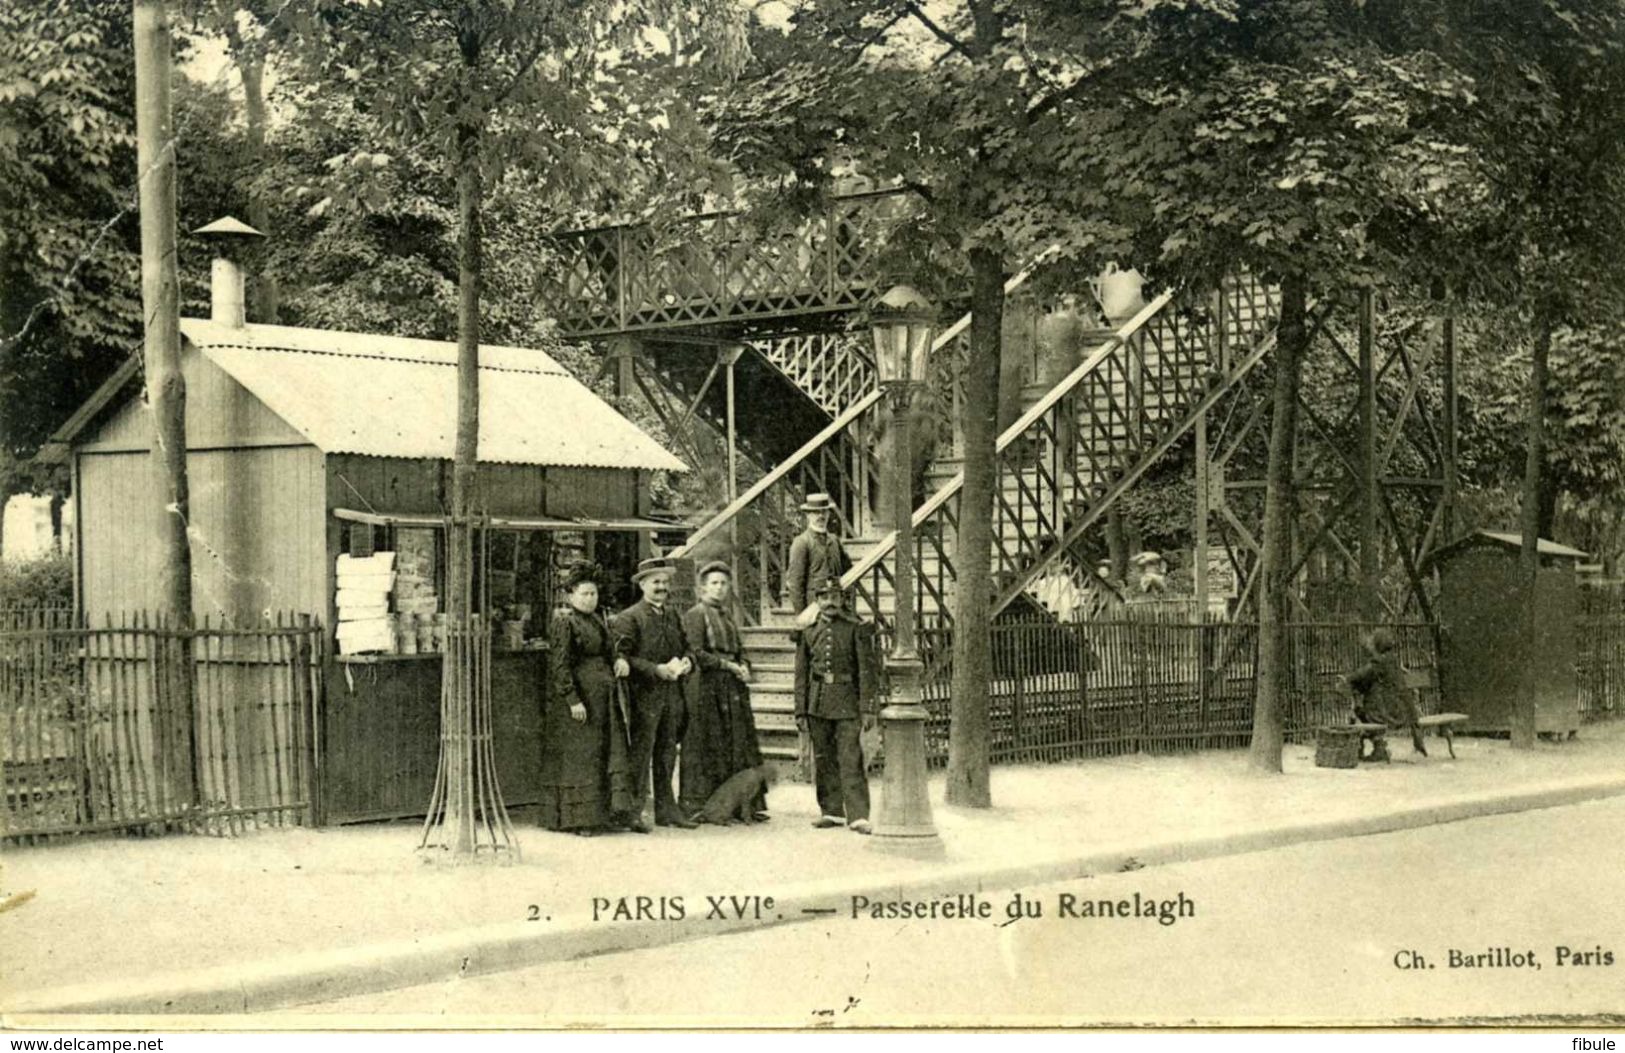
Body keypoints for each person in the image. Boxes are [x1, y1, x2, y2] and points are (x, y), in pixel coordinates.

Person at [540, 562, 636, 836]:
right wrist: (572, 700)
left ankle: (602, 815)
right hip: (580, 702)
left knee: (601, 753)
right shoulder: (564, 623)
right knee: (582, 758)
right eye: (584, 594)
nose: (590, 599)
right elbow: (559, 666)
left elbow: (609, 650)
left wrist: (618, 660)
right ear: (570, 596)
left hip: (603, 701)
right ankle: (579, 820)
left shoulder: (597, 620)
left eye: (593, 594)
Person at [612, 557, 697, 830]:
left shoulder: (673, 615)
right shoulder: (629, 617)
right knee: (641, 755)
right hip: (644, 697)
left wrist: (688, 662)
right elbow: (623, 658)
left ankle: (666, 810)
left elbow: (687, 647)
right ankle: (633, 812)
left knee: (667, 753)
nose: (661, 587)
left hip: (672, 696)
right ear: (642, 585)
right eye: (655, 582)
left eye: (664, 582)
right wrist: (655, 670)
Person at [680, 561, 767, 821]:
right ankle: (703, 807)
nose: (719, 588)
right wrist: (728, 665)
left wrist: (745, 666)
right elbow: (695, 652)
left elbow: (739, 650)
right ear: (703, 588)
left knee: (737, 743)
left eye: (723, 583)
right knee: (709, 743)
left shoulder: (727, 616)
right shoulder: (696, 615)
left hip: (731, 687)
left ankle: (738, 805)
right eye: (714, 583)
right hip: (707, 687)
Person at [793, 577, 879, 835]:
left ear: (842, 600)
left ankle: (858, 815)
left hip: (847, 702)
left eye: (835, 597)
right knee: (824, 758)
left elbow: (866, 670)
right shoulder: (808, 631)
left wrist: (867, 707)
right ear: (817, 601)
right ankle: (831, 811)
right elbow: (801, 673)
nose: (830, 603)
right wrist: (800, 709)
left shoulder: (854, 629)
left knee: (850, 757)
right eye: (824, 597)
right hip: (817, 703)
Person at [1347, 627, 1426, 759]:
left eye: (1372, 642)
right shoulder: (1393, 660)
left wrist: (1347, 679)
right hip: (1403, 711)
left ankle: (1379, 747)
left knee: (1361, 711)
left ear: (1377, 644)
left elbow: (1361, 675)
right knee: (1368, 708)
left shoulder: (1379, 662)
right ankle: (1378, 746)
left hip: (1389, 713)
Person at [784, 493, 851, 621]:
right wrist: (803, 615)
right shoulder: (802, 542)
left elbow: (848, 570)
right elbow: (794, 584)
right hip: (814, 610)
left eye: (824, 512)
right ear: (808, 515)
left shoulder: (834, 540)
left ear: (828, 514)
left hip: (837, 609)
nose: (820, 516)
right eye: (815, 512)